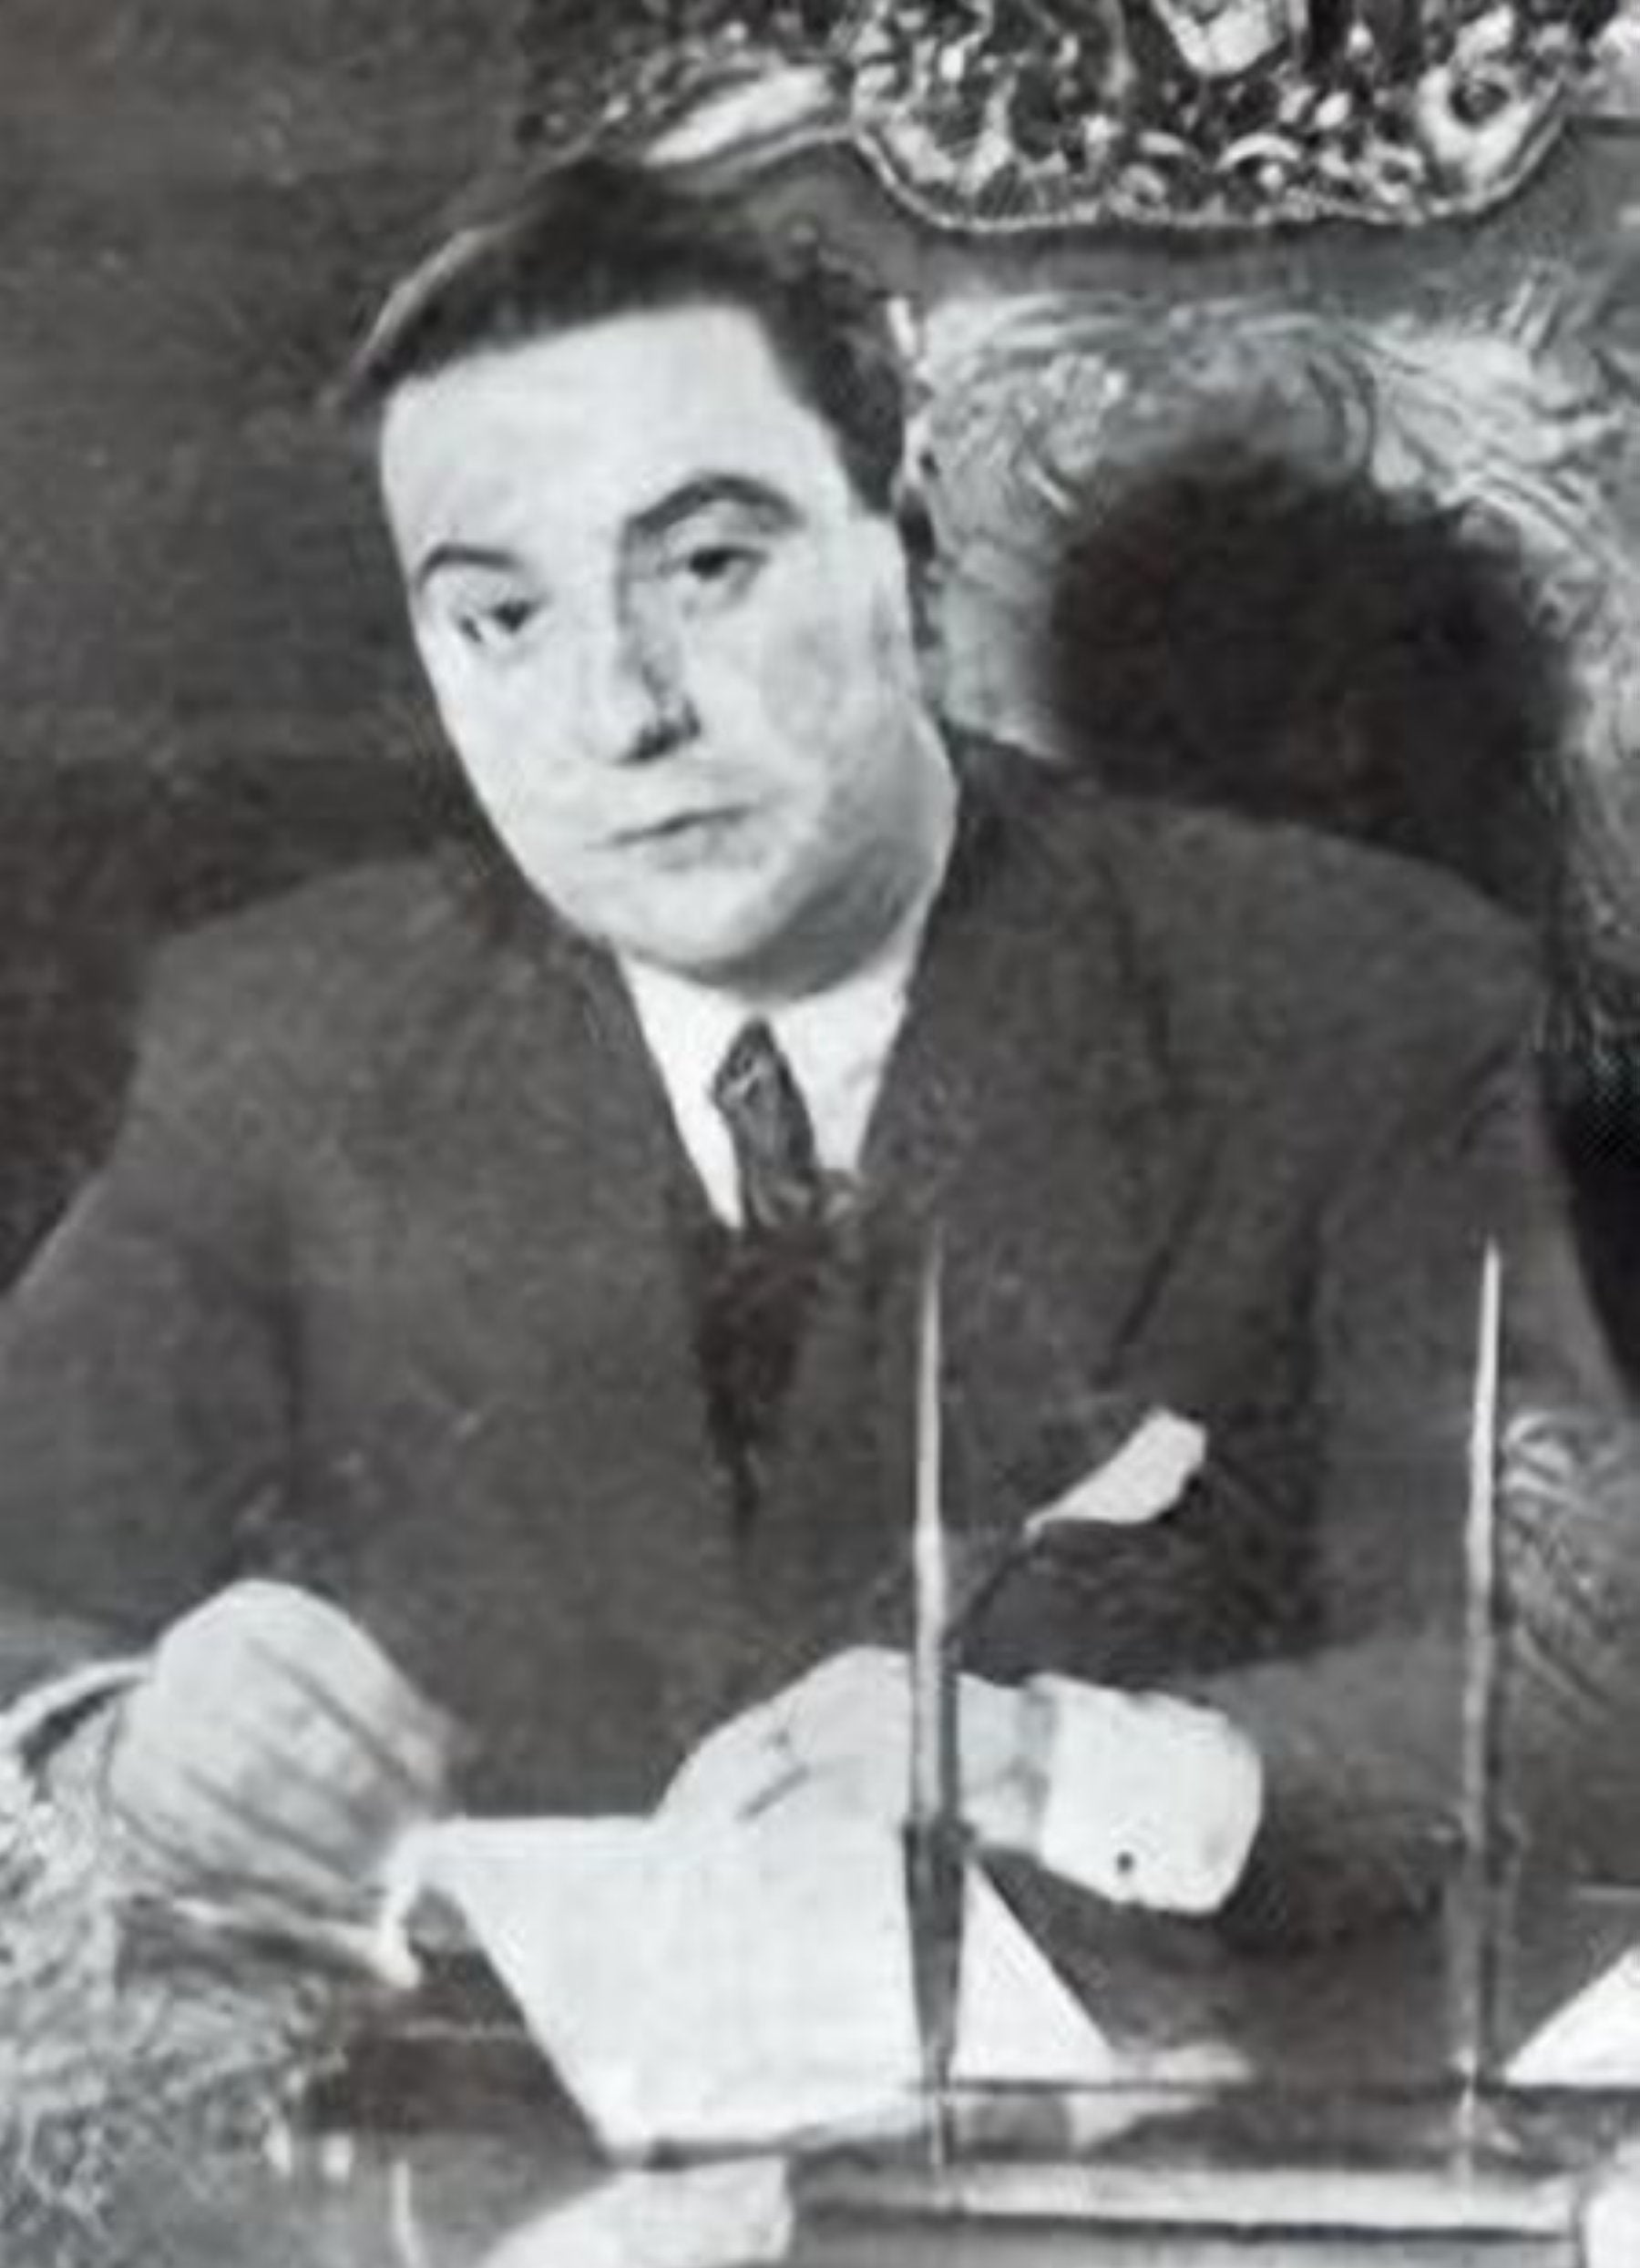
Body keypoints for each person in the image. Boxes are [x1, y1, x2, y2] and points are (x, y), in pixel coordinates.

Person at [0, 159, 1622, 1980]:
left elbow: (1569, 1685)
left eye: (708, 567)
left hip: (1118, 2130)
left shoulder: (1350, 992)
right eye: (502, 619)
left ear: (904, 545)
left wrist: (1061, 1765)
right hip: (474, 2131)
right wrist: (110, 1744)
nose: (623, 711)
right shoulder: (290, 1031)